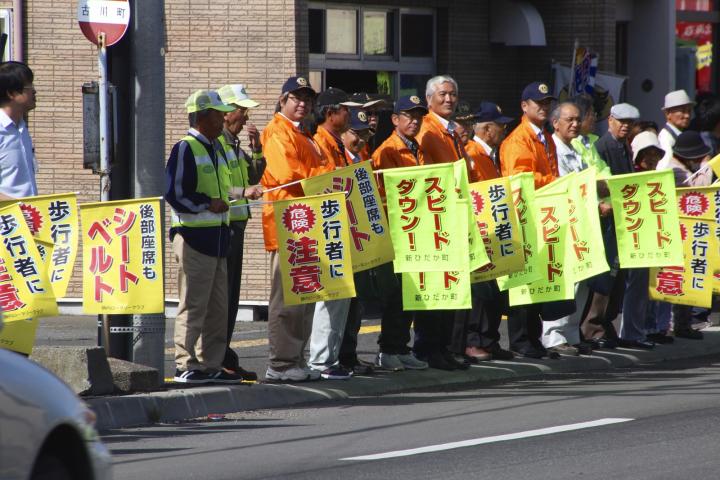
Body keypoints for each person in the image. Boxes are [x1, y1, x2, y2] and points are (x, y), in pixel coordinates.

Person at [165, 90, 249, 384]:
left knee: (217, 306)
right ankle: (185, 364)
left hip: (218, 239)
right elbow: (174, 194)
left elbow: (223, 190)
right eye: (217, 113)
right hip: (193, 239)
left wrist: (235, 195)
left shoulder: (216, 148)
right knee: (194, 304)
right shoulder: (186, 148)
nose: (223, 117)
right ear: (202, 117)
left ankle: (211, 363)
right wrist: (206, 204)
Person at [261, 76, 331, 382]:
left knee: (303, 296)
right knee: (286, 298)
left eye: (307, 99)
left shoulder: (303, 133)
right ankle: (280, 362)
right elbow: (287, 174)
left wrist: (324, 173)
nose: (302, 104)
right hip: (287, 221)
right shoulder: (277, 131)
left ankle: (296, 359)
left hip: (306, 222)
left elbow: (322, 167)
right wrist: (324, 174)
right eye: (296, 98)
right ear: (282, 100)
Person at [449, 100, 515, 362]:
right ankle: (473, 339)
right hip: (479, 225)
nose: (503, 130)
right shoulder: (473, 152)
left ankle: (489, 338)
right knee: (479, 289)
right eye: (500, 126)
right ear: (487, 129)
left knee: (494, 287)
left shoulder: (490, 152)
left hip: (495, 223)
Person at [413, 75, 470, 371]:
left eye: (453, 94)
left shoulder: (449, 130)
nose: (449, 99)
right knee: (435, 286)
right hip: (433, 217)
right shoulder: (427, 129)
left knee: (451, 285)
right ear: (429, 99)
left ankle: (444, 347)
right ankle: (428, 347)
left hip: (452, 216)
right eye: (443, 94)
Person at [369, 95, 429, 371]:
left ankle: (401, 346)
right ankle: (388, 349)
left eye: (418, 116)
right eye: (409, 116)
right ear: (395, 120)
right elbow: (385, 193)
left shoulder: (416, 147)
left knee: (410, 290)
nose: (414, 121)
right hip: (396, 230)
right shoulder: (387, 150)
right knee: (393, 292)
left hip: (413, 229)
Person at [499, 81, 559, 359]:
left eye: (547, 103)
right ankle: (521, 339)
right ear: (524, 106)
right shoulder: (518, 139)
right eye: (539, 103)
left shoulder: (543, 136)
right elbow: (520, 179)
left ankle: (533, 338)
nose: (544, 107)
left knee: (537, 280)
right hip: (523, 217)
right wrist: (555, 182)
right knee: (522, 281)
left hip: (541, 216)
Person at [593, 103, 656, 350]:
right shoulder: (603, 145)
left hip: (625, 219)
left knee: (619, 278)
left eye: (630, 122)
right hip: (608, 219)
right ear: (610, 120)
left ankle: (609, 327)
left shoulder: (623, 146)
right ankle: (596, 329)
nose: (625, 126)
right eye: (621, 121)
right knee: (606, 276)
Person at [307, 87, 360, 380]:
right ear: (330, 113)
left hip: (340, 225)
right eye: (345, 110)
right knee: (329, 297)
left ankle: (330, 357)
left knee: (340, 297)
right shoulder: (320, 143)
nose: (350, 115)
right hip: (328, 227)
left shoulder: (335, 143)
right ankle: (320, 360)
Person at [216, 84, 266, 380]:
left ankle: (226, 355)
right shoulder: (217, 144)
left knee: (232, 296)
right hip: (221, 227)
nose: (245, 116)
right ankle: (218, 357)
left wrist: (257, 149)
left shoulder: (234, 143)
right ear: (225, 113)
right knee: (221, 297)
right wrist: (243, 191)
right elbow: (217, 188)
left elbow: (254, 176)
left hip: (236, 225)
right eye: (241, 110)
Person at [541, 101, 594, 356]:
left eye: (577, 119)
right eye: (569, 120)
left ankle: (572, 332)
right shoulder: (552, 148)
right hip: (562, 222)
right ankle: (553, 335)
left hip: (582, 221)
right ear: (556, 123)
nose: (575, 124)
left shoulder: (578, 147)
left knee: (582, 279)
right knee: (564, 281)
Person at [0, 61, 38, 200]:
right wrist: (18, 206)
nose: (34, 91)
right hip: (8, 218)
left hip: (27, 218)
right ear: (11, 93)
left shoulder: (21, 129)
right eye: (29, 86)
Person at [657, 89, 694, 169]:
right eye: (683, 111)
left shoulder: (680, 135)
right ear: (668, 114)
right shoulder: (666, 138)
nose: (687, 116)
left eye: (689, 111)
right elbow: (666, 167)